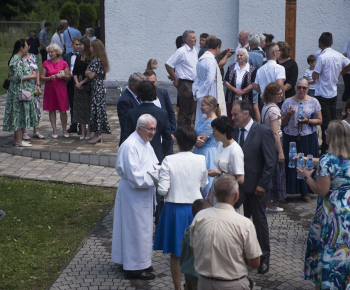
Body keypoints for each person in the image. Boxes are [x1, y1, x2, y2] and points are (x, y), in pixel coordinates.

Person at [297, 120, 350, 289]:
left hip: (331, 212)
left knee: (329, 247)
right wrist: (307, 159)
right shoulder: (346, 157)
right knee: (345, 248)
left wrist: (306, 176)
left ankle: (328, 283)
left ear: (332, 137)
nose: (325, 134)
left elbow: (321, 190)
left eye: (327, 132)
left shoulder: (327, 160)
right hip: (347, 210)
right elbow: (328, 163)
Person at [153, 126, 208, 290]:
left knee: (176, 254)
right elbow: (204, 183)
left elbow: (162, 190)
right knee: (197, 250)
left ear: (176, 141)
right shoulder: (201, 159)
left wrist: (158, 180)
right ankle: (194, 285)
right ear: (193, 142)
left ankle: (178, 288)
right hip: (196, 209)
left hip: (174, 210)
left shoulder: (169, 160)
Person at [191, 175, 262, 289]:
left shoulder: (199, 217)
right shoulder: (244, 223)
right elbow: (255, 263)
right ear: (236, 195)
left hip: (204, 283)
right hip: (234, 284)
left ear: (214, 193)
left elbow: (194, 250)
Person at [111, 114, 159, 280]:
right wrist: (156, 178)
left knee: (143, 230)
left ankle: (141, 262)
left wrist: (159, 172)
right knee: (135, 230)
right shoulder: (130, 146)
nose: (153, 132)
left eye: (154, 128)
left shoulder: (145, 143)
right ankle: (134, 267)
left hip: (143, 195)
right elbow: (135, 176)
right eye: (150, 129)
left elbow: (154, 164)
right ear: (139, 129)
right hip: (134, 195)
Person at [232, 100, 276, 274]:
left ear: (246, 114)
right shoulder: (235, 131)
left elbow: (270, 161)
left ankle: (264, 257)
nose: (233, 117)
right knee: (240, 222)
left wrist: (262, 184)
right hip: (240, 188)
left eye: (235, 114)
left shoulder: (263, 131)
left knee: (259, 222)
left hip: (257, 188)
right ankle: (243, 255)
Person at [281, 78, 322, 202]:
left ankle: (305, 191)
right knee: (290, 163)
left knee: (306, 163)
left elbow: (320, 120)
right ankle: (285, 191)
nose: (301, 90)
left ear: (308, 89)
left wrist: (308, 120)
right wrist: (288, 114)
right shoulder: (288, 102)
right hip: (290, 136)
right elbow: (282, 123)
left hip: (308, 137)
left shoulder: (314, 101)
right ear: (295, 88)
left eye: (304, 88)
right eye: (299, 87)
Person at [313, 32, 350, 154]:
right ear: (332, 43)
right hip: (333, 92)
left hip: (321, 93)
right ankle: (334, 146)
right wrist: (341, 72)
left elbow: (315, 76)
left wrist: (315, 74)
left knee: (325, 124)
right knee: (333, 120)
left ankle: (326, 148)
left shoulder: (322, 57)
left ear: (320, 44)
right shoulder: (338, 55)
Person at [122, 80, 172, 164]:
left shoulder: (132, 113)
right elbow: (167, 138)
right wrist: (161, 151)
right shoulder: (162, 113)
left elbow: (126, 135)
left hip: (136, 153)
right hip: (157, 153)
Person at [3, 39, 38, 147]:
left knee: (19, 114)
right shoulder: (15, 60)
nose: (28, 47)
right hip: (17, 92)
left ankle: (17, 140)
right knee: (17, 114)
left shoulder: (19, 59)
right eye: (26, 46)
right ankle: (18, 140)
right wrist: (32, 76)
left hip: (19, 91)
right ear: (21, 47)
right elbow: (18, 77)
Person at [208, 116, 244, 208]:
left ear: (223, 131)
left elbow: (240, 179)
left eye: (215, 130)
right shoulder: (220, 145)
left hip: (228, 195)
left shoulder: (235, 150)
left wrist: (219, 174)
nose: (213, 133)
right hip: (218, 189)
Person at [261, 82, 286, 210]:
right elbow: (275, 132)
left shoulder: (266, 106)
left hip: (267, 142)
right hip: (274, 142)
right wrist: (280, 152)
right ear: (271, 95)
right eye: (279, 94)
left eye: (281, 93)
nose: (281, 96)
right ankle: (269, 203)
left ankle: (268, 202)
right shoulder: (274, 110)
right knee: (275, 172)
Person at [165, 30, 197, 127]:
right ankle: (182, 134)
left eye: (195, 37)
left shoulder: (194, 50)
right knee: (184, 112)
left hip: (193, 84)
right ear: (187, 40)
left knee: (190, 112)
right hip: (185, 84)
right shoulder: (181, 51)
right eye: (193, 38)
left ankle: (187, 132)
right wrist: (175, 78)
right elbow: (168, 64)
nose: (195, 39)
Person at [180, 199, 211, 290]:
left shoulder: (188, 230)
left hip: (188, 273)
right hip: (198, 275)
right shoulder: (201, 233)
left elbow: (182, 247)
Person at [40, 43, 71, 138]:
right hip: (50, 89)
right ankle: (54, 130)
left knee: (63, 110)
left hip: (61, 89)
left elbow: (69, 77)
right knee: (51, 109)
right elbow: (41, 77)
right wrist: (49, 78)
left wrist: (63, 76)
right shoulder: (46, 63)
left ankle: (65, 129)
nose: (50, 53)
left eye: (52, 52)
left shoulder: (63, 63)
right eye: (49, 52)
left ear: (57, 52)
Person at [193, 38, 225, 125]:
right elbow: (210, 79)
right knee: (210, 116)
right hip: (210, 91)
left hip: (201, 90)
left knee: (202, 116)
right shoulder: (210, 61)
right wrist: (201, 92)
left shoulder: (201, 60)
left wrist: (196, 91)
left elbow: (197, 78)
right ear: (217, 47)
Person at [144, 70, 176, 155]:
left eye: (153, 82)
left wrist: (172, 132)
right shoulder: (141, 96)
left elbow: (170, 112)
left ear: (156, 81)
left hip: (165, 135)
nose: (151, 85)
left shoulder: (162, 93)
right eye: (148, 82)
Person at [193, 96, 220, 198]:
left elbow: (201, 141)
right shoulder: (203, 118)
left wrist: (193, 138)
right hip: (199, 152)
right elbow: (196, 138)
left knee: (206, 183)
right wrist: (195, 139)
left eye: (203, 105)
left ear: (211, 106)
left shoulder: (213, 122)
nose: (200, 107)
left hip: (207, 154)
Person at [85, 39, 111, 143]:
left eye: (91, 46)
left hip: (96, 88)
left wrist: (87, 72)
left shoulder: (96, 60)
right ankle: (97, 133)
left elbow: (90, 75)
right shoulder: (100, 59)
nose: (90, 48)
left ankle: (97, 134)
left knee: (96, 110)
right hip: (98, 87)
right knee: (97, 110)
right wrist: (89, 72)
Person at [224, 48, 256, 123]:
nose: (239, 57)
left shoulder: (252, 68)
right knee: (231, 117)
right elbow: (225, 81)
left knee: (245, 118)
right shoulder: (231, 67)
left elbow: (253, 83)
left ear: (246, 57)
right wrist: (235, 91)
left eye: (241, 55)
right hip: (231, 98)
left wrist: (242, 92)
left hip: (246, 98)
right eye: (237, 55)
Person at [21, 39, 44, 139]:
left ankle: (36, 131)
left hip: (34, 86)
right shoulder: (19, 59)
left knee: (37, 109)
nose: (25, 48)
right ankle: (24, 132)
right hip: (24, 87)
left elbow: (37, 71)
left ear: (29, 47)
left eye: (26, 46)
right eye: (23, 46)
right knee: (24, 109)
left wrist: (38, 85)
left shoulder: (33, 56)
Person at [117, 72, 147, 145]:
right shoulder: (125, 100)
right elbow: (126, 124)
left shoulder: (137, 95)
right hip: (131, 141)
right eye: (141, 85)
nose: (144, 88)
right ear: (132, 85)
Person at [73, 37, 92, 139]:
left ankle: (89, 131)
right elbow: (74, 72)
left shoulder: (90, 58)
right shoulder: (78, 57)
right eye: (78, 44)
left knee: (87, 108)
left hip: (87, 84)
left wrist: (82, 83)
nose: (79, 46)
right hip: (78, 84)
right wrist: (77, 83)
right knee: (80, 108)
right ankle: (83, 131)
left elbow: (90, 75)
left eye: (81, 44)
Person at [63, 37, 81, 134]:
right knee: (72, 103)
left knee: (80, 103)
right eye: (76, 44)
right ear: (72, 45)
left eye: (79, 44)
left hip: (79, 81)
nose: (78, 46)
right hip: (70, 82)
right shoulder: (66, 56)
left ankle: (81, 125)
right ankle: (73, 124)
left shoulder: (83, 56)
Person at [342, 35, 350, 115]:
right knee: (347, 90)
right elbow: (344, 54)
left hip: (347, 71)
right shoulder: (349, 39)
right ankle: (344, 112)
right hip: (348, 72)